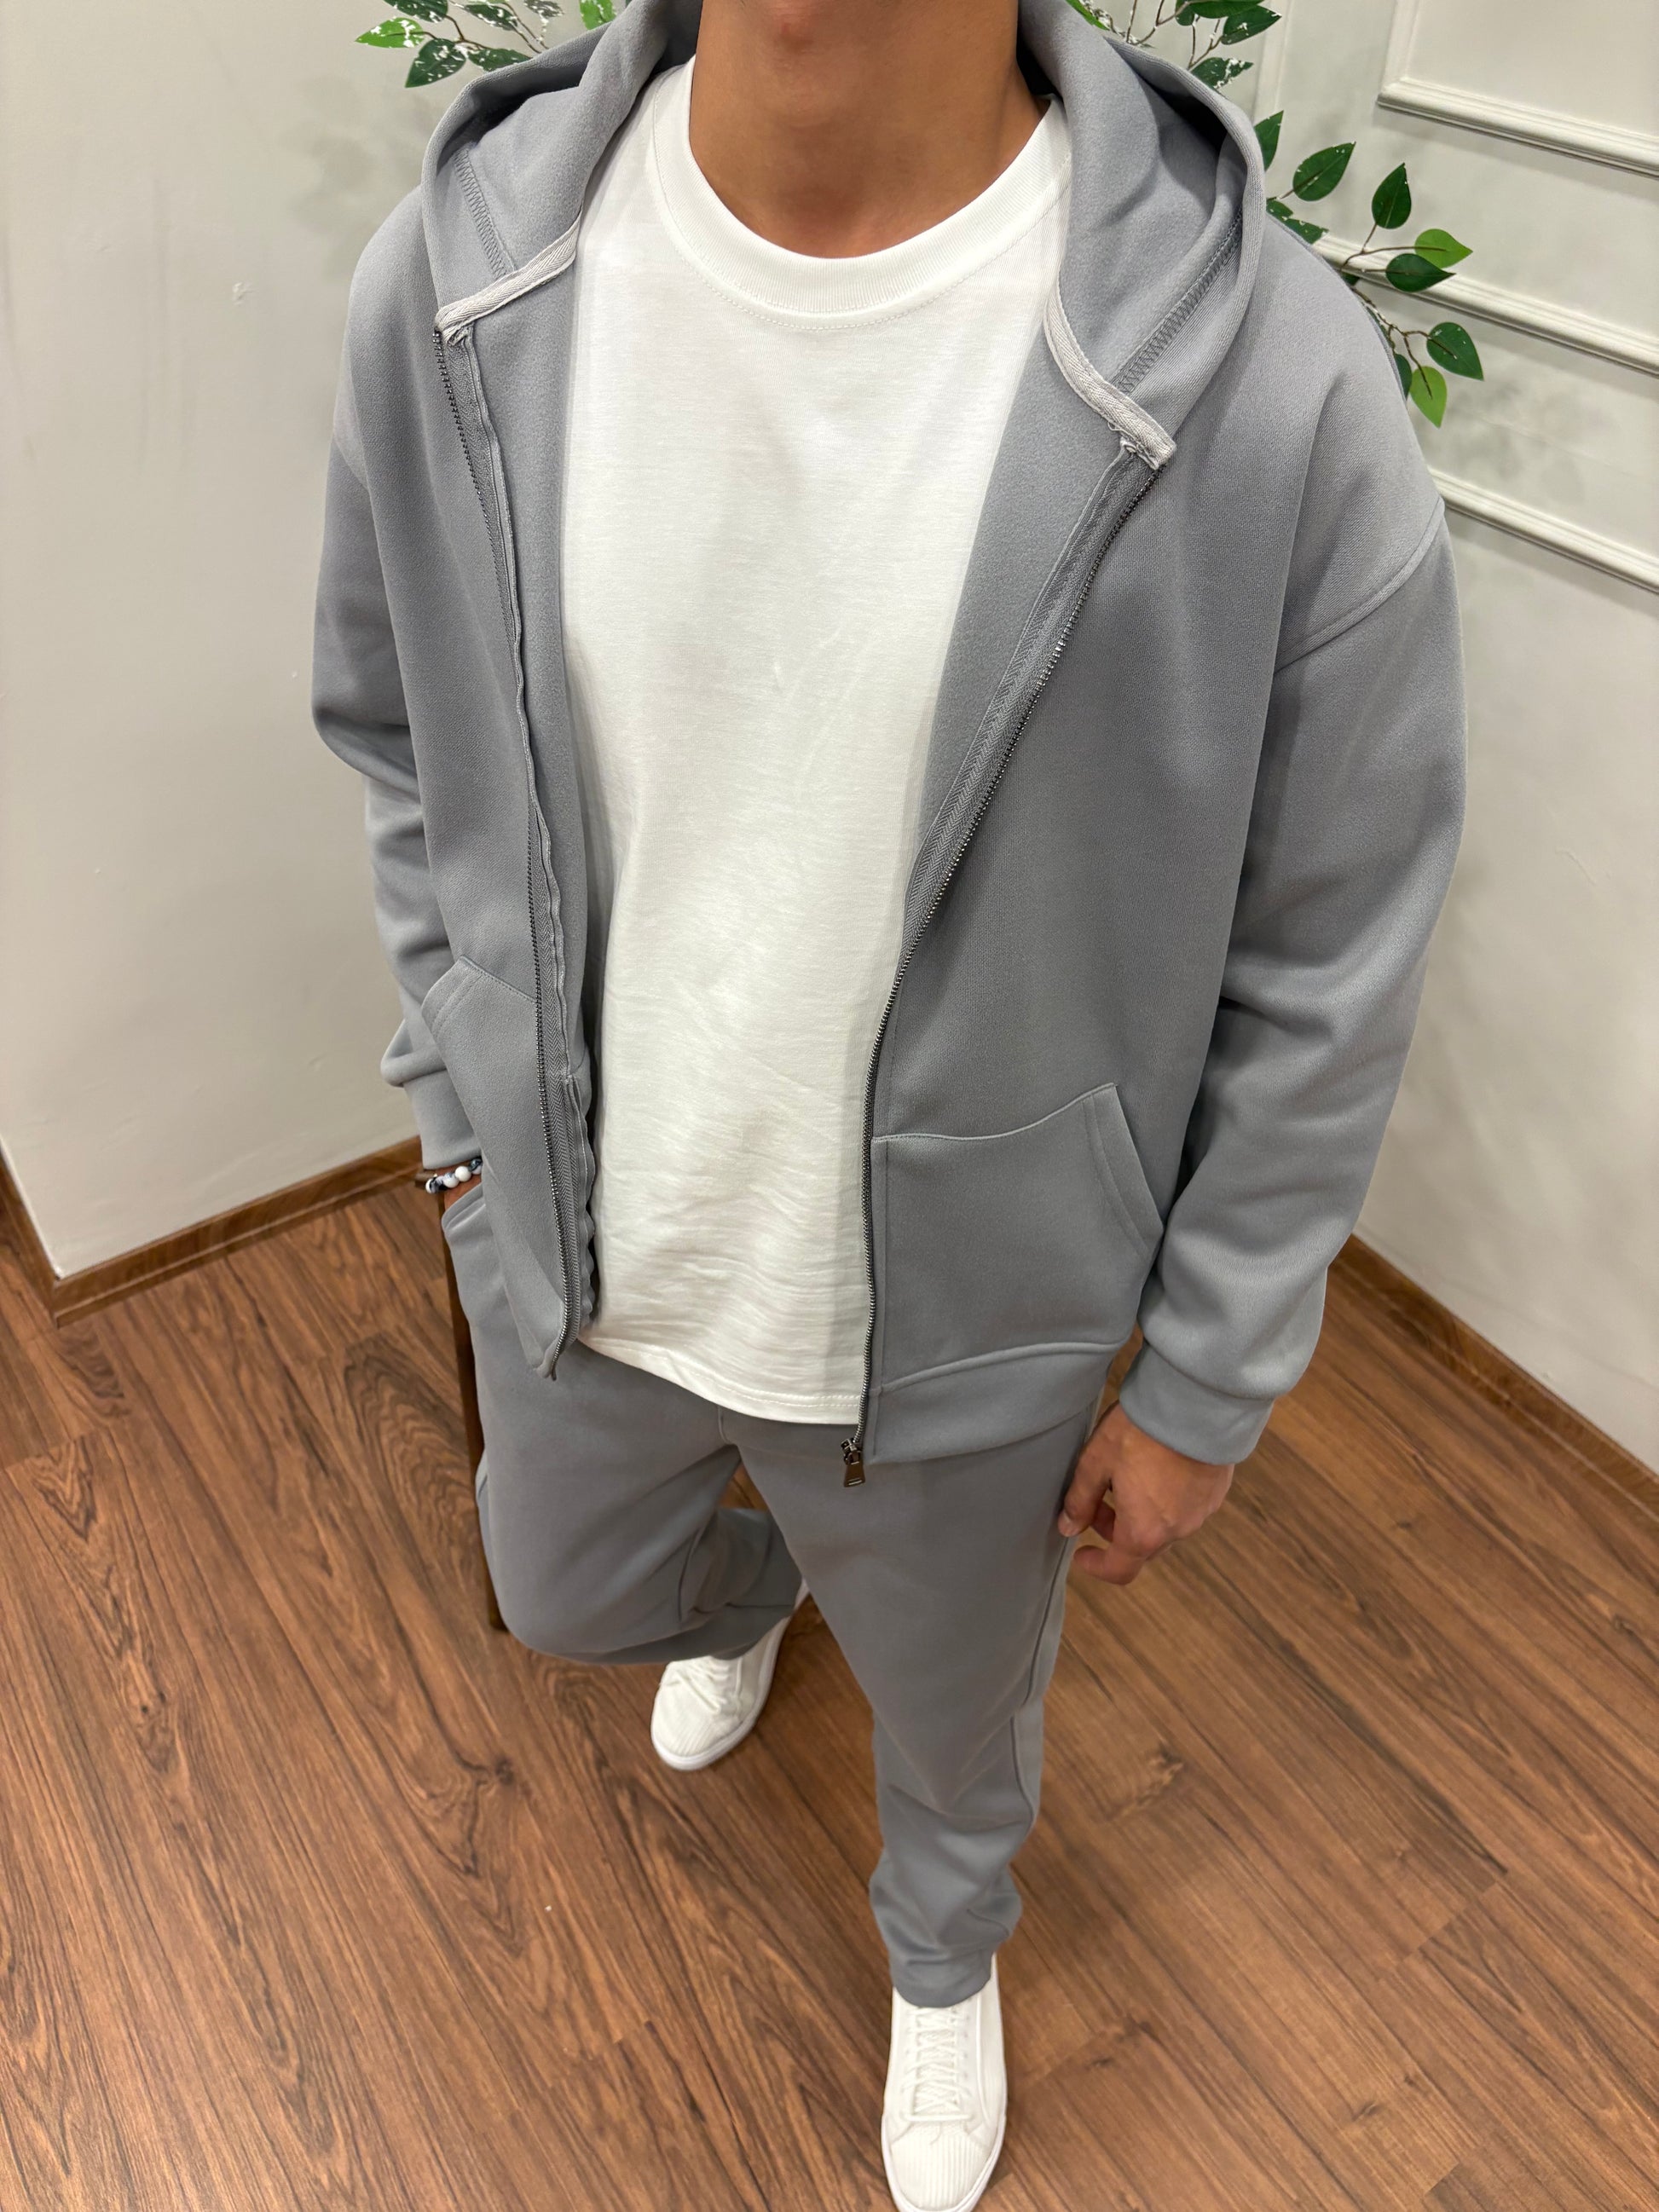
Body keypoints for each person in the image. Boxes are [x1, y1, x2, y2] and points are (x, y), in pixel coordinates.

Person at [312, 0, 1465, 2201]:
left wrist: (1208, 1377)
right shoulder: (463, 283)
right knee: (561, 1591)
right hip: (578, 1234)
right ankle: (758, 1579)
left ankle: (945, 1951)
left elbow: (1331, 946)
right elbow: (396, 737)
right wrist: (457, 1107)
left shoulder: (1274, 390)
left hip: (971, 1317)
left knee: (952, 1719)